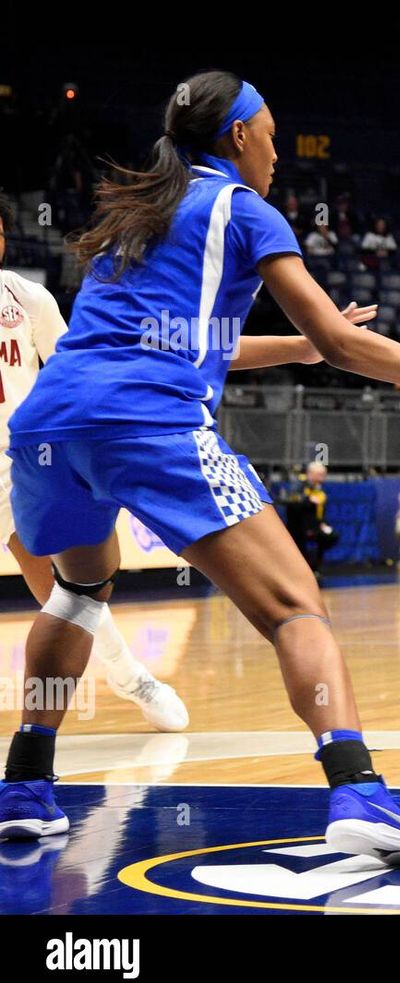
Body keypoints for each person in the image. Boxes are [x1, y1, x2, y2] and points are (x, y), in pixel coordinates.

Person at [0, 71, 400, 855]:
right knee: (297, 606)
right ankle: (359, 792)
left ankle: (25, 785)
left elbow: (180, 341)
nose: (276, 148)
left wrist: (296, 346)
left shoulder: (138, 214)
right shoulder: (243, 208)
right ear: (238, 136)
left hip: (46, 426)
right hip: (150, 424)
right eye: (269, 130)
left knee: (76, 592)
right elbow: (343, 341)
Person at [0, 193, 188, 732]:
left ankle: (131, 679)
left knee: (67, 598)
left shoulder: (27, 298)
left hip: (17, 467)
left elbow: (70, 375)